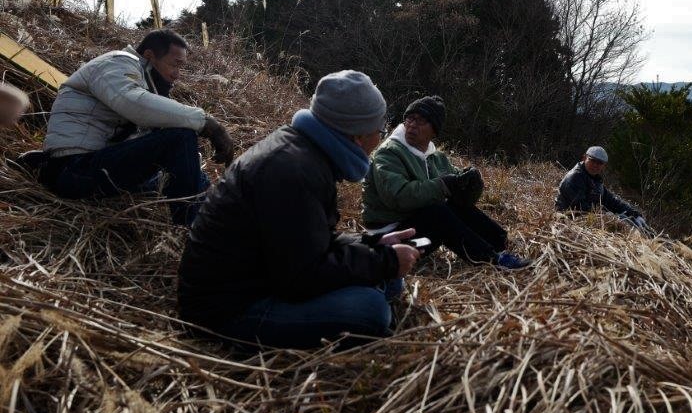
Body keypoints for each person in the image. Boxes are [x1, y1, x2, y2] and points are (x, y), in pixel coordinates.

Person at [178, 71, 421, 350]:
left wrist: (372, 244)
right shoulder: (292, 170)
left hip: (265, 276)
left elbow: (309, 242)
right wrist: (384, 262)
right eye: (380, 127)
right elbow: (300, 277)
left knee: (389, 283)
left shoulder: (305, 151)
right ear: (357, 135)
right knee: (370, 309)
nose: (381, 135)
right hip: (225, 310)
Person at [38, 29, 234, 225]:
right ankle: (192, 231)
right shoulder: (116, 62)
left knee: (192, 176)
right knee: (180, 137)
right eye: (175, 64)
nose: (177, 75)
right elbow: (132, 102)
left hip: (94, 166)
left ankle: (219, 223)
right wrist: (208, 123)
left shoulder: (141, 78)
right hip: (73, 168)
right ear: (149, 56)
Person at [362, 95, 530, 269]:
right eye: (409, 118)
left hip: (419, 230)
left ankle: (502, 243)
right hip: (392, 240)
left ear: (434, 130)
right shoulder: (389, 153)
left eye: (420, 121)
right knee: (438, 212)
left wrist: (471, 185)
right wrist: (443, 185)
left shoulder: (437, 158)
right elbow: (398, 197)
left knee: (452, 206)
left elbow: (461, 200)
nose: (412, 125)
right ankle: (490, 260)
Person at [556, 146, 651, 233]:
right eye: (592, 160)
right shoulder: (575, 177)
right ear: (584, 158)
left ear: (604, 166)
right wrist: (608, 216)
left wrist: (634, 214)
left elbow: (612, 201)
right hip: (569, 222)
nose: (595, 165)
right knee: (622, 223)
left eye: (600, 163)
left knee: (632, 221)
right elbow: (580, 207)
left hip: (589, 222)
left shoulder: (595, 179)